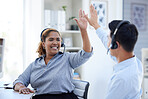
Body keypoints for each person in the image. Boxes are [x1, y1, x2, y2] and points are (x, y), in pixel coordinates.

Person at [13, 9, 93, 99]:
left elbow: (86, 53)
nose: (55, 43)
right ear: (43, 44)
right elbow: (18, 81)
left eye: (58, 40)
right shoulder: (35, 64)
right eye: (51, 39)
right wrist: (21, 86)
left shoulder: (67, 58)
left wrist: (83, 30)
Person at [83, 5, 143, 99]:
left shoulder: (121, 78)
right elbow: (107, 43)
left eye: (109, 38)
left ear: (116, 45)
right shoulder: (135, 63)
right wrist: (96, 25)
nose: (107, 41)